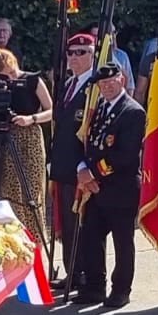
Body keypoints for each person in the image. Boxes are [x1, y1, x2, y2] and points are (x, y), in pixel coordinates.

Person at [70, 63, 144, 309]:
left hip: (120, 188)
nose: (107, 87)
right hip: (95, 189)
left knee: (123, 243)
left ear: (122, 80)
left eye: (111, 82)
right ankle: (94, 286)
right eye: (102, 84)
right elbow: (90, 144)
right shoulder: (99, 107)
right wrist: (82, 169)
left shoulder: (132, 112)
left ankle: (121, 289)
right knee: (91, 237)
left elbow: (126, 155)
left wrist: (93, 174)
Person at [0, 47, 52, 251]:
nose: (8, 77)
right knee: (12, 190)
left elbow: (52, 110)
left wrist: (31, 119)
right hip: (8, 136)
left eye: (9, 72)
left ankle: (36, 242)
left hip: (30, 137)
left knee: (33, 191)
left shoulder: (32, 80)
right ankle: (16, 240)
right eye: (2, 73)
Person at [47, 33, 99, 287]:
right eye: (71, 53)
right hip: (64, 165)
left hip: (81, 167)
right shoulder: (69, 85)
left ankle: (85, 275)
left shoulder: (94, 87)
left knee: (82, 225)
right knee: (68, 225)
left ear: (93, 55)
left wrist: (84, 165)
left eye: (82, 52)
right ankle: (73, 273)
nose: (74, 58)